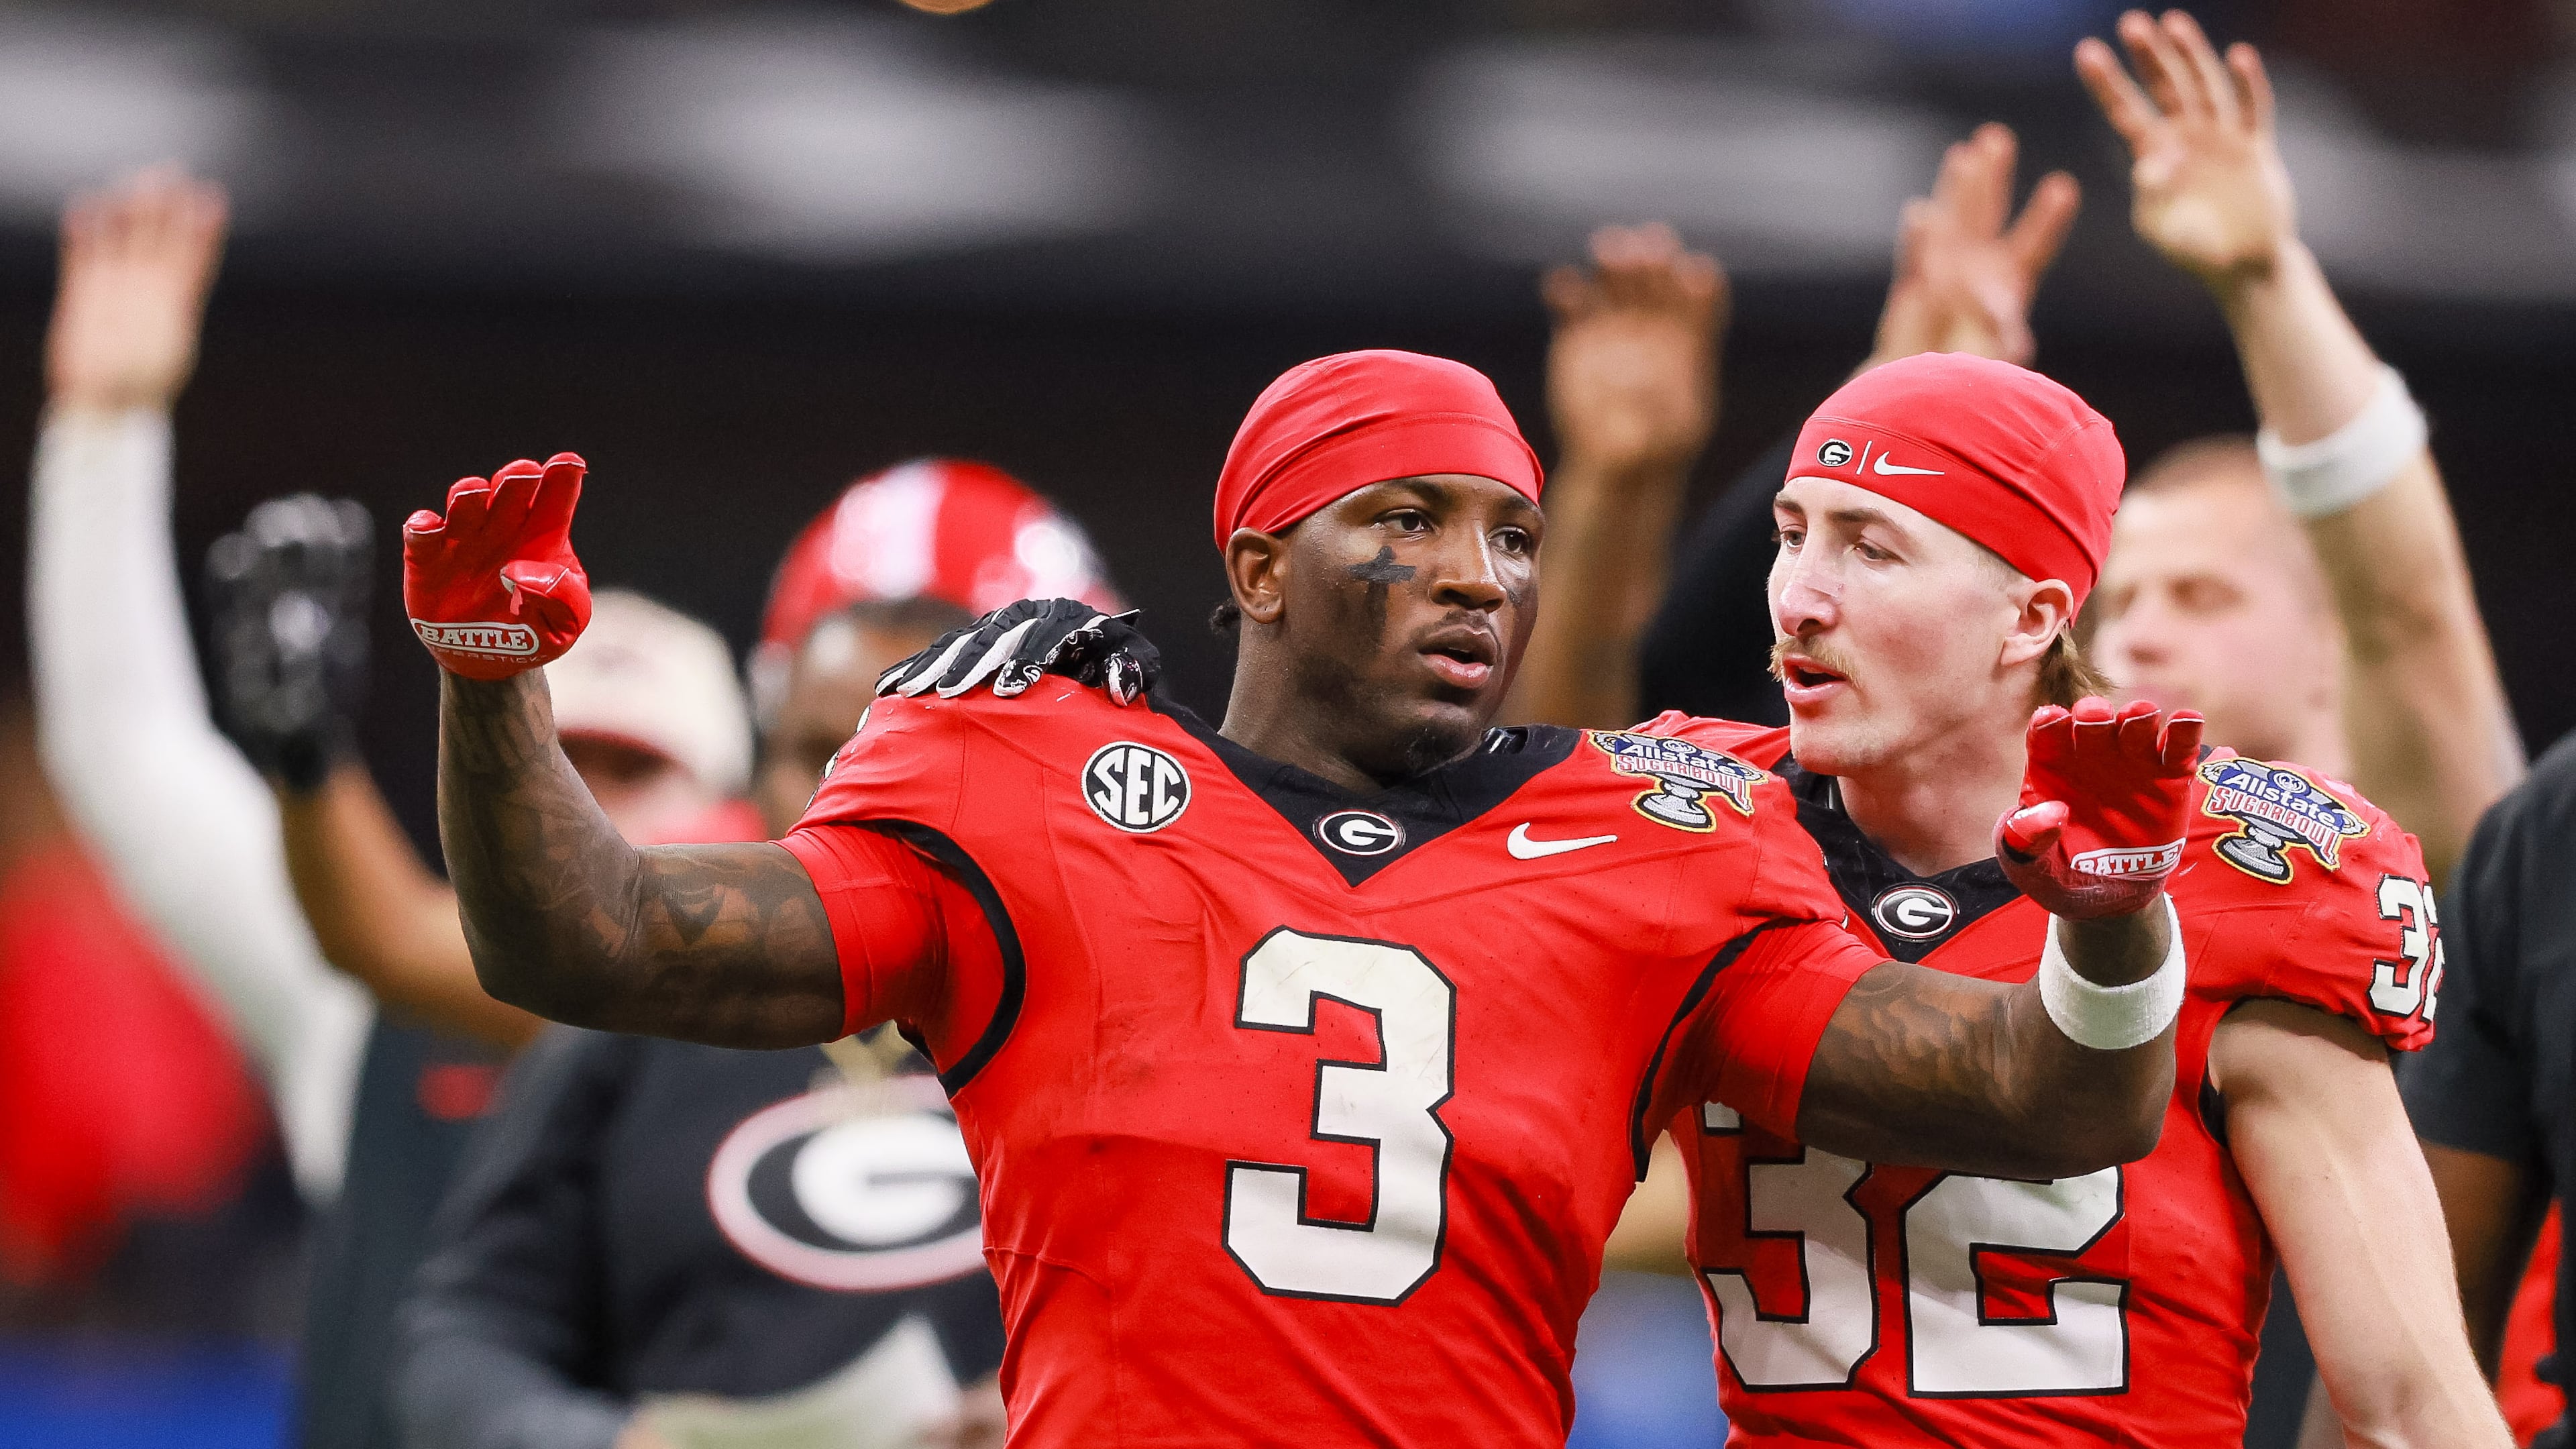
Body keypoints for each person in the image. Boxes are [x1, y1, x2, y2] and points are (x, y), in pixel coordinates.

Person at [402, 337, 2198, 1444]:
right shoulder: (1032, 779)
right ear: (1260, 561)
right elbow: (601, 934)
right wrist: (494, 691)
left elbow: (2050, 1101)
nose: (1476, 575)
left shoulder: (1655, 836)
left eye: (1507, 532)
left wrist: (2115, 921)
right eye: (1406, 521)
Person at [1515, 17, 2507, 1445]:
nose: (1797, 596)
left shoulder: (2243, 869)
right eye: (1795, 536)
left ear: (2032, 613)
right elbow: (1518, 843)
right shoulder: (1705, 829)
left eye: (1871, 548)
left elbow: (2414, 1405)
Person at [394, 471, 1118, 1449]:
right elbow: (460, 1343)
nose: (857, 789)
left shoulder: (1140, 1006)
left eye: (915, 751)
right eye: (818, 747)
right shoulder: (638, 1018)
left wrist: (1096, 1414)